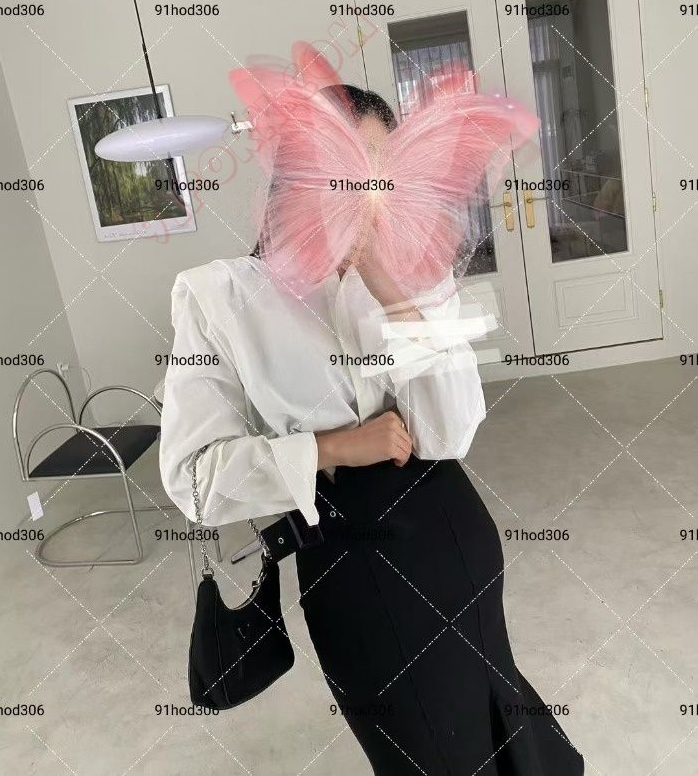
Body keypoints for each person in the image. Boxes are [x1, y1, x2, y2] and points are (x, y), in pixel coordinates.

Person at [159, 84, 585, 774]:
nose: (368, 196)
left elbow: (451, 430)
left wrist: (390, 288)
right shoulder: (220, 297)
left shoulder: (411, 272)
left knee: (508, 733)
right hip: (355, 571)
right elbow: (194, 481)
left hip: (453, 540)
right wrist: (329, 448)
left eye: (383, 175)